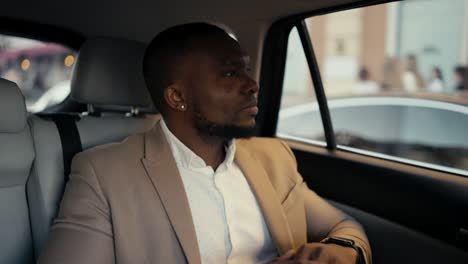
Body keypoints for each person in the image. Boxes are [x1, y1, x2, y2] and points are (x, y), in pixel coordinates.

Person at [39, 23, 371, 264]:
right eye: (230, 74)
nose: (252, 84)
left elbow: (345, 226)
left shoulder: (273, 158)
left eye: (246, 70)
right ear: (177, 97)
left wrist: (341, 251)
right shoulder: (103, 174)